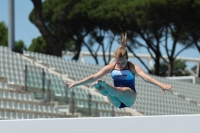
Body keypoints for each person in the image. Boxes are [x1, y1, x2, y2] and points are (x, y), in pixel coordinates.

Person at [64, 32, 172, 108]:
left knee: (118, 90)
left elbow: (146, 77)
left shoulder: (132, 67)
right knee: (108, 94)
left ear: (127, 59)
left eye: (123, 63)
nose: (120, 65)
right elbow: (93, 77)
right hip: (116, 100)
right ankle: (100, 86)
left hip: (129, 97)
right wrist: (76, 83)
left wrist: (161, 85)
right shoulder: (111, 67)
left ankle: (103, 86)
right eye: (118, 62)